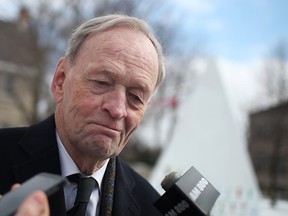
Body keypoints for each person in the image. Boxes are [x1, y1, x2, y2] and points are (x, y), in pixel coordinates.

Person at [0, 13, 165, 216]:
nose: (117, 109)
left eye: (136, 97)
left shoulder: (152, 207)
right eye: (101, 83)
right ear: (60, 81)